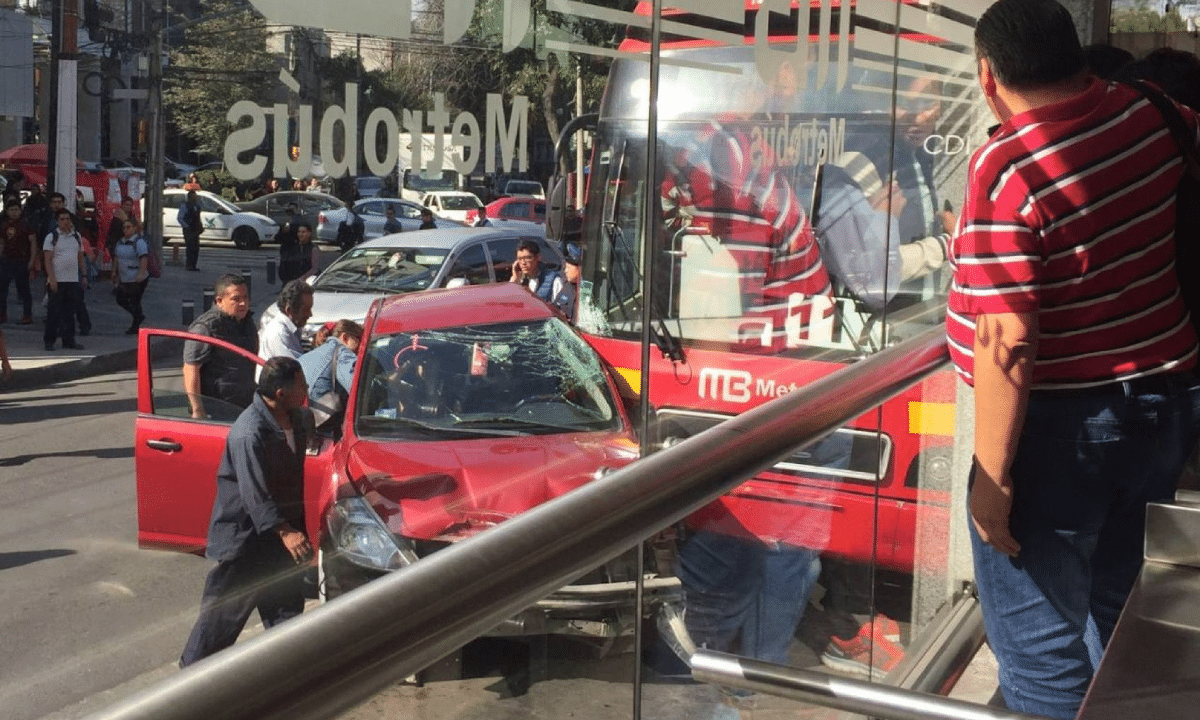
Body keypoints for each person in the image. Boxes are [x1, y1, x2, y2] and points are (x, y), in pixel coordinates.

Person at [948, 2, 1200, 716]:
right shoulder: (1153, 112)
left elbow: (1008, 343)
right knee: (1114, 605)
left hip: (1061, 435)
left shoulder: (1009, 167)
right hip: (1165, 406)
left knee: (1039, 649)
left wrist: (993, 478)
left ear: (987, 76)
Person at [178, 356, 313, 667]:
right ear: (280, 392)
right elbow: (255, 494)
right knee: (221, 621)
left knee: (286, 614)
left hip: (279, 540)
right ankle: (190, 684)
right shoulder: (249, 433)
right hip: (246, 541)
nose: (306, 389)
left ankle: (290, 680)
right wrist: (287, 532)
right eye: (301, 384)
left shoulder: (298, 419)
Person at [183, 274, 258, 419]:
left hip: (244, 405)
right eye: (236, 299)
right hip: (217, 408)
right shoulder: (206, 327)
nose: (243, 303)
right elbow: (191, 368)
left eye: (245, 297)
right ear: (219, 300)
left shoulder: (246, 321)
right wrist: (197, 409)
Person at [298, 319, 363, 431]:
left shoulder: (313, 353)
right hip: (324, 424)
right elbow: (357, 389)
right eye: (359, 339)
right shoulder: (343, 353)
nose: (361, 346)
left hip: (301, 420)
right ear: (345, 337)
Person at [42, 209, 87, 351]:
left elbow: (80, 258)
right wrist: (52, 279)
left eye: (67, 218)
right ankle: (49, 341)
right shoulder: (52, 237)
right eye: (62, 219)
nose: (65, 221)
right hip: (57, 281)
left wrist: (84, 275)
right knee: (54, 312)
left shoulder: (76, 237)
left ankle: (69, 340)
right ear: (57, 221)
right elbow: (47, 260)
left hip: (72, 280)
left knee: (70, 313)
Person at [258, 279, 314, 366]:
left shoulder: (293, 327)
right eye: (306, 310)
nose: (310, 314)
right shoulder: (280, 333)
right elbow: (299, 369)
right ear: (289, 310)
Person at [1, 199, 38, 324]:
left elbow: (33, 242)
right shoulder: (4, 225)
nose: (14, 212)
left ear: (20, 211)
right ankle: (2, 314)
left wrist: (32, 260)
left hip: (21, 261)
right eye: (11, 210)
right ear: (7, 211)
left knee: (24, 290)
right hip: (6, 261)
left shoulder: (26, 225)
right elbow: (1, 243)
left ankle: (27, 315)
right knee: (2, 289)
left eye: (16, 209)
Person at [111, 217, 149, 335]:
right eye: (124, 228)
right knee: (120, 299)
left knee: (134, 301)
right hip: (124, 277)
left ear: (134, 229)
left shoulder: (139, 242)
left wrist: (141, 273)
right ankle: (139, 316)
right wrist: (114, 272)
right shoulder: (120, 242)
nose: (126, 230)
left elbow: (144, 258)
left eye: (128, 227)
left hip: (137, 277)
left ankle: (135, 325)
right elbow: (117, 258)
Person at [509, 239, 563, 303]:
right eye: (520, 259)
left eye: (528, 258)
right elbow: (509, 303)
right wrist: (514, 280)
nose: (523, 263)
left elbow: (560, 308)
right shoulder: (519, 280)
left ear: (538, 257)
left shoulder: (553, 279)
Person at [552, 244, 580, 321]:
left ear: (580, 269)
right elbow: (554, 307)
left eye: (569, 267)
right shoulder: (566, 286)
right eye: (565, 267)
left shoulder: (586, 290)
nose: (565, 271)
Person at [177, 190, 203, 272]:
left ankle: (194, 265)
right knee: (190, 247)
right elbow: (180, 218)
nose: (195, 198)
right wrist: (186, 226)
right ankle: (189, 265)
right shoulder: (185, 206)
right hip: (189, 229)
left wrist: (200, 226)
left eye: (195, 196)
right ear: (189, 197)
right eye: (193, 196)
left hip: (195, 229)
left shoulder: (197, 206)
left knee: (196, 248)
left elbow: (198, 217)